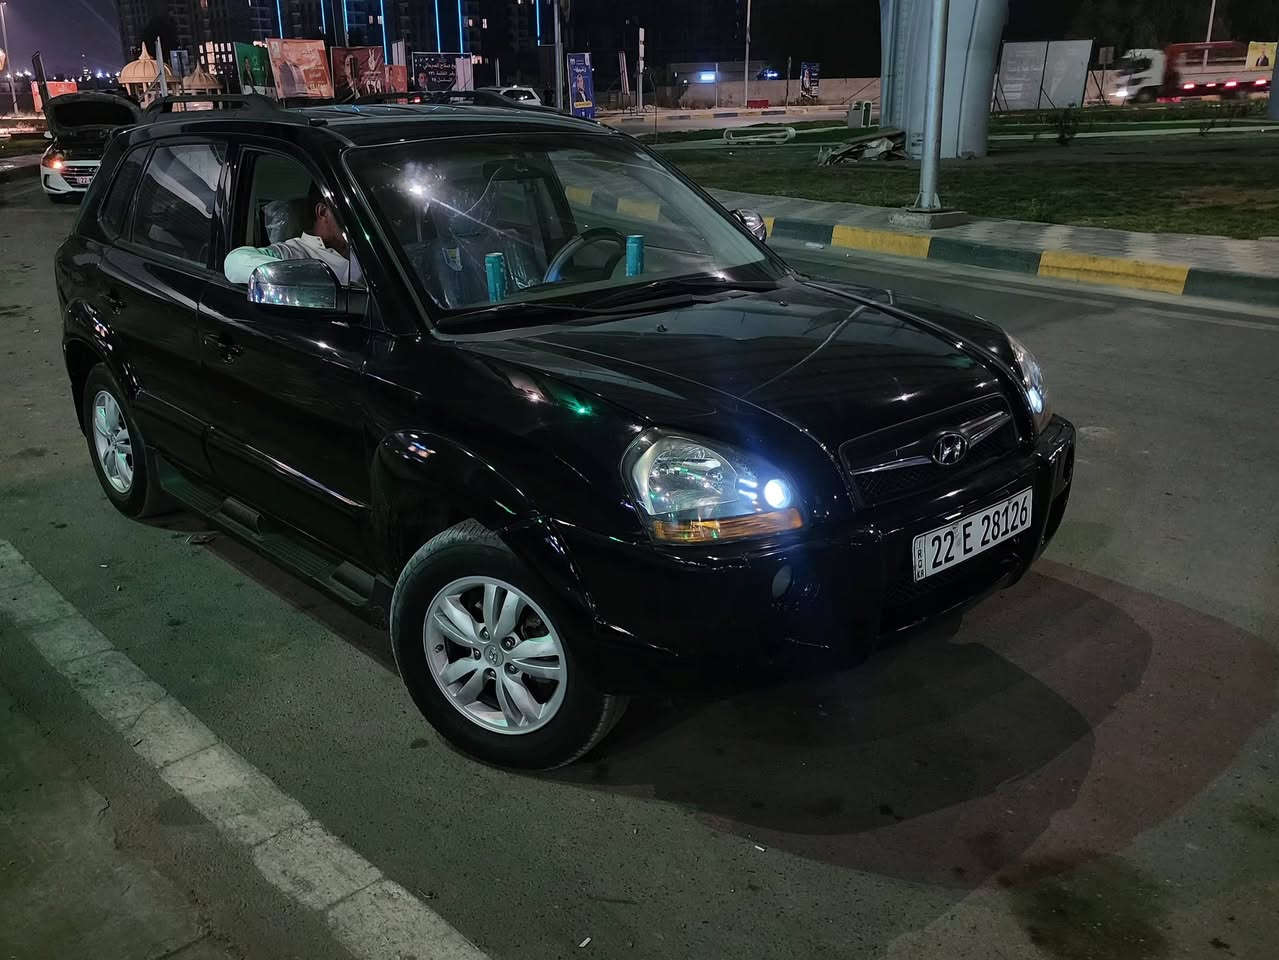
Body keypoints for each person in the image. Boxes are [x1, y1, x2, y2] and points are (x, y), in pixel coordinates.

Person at [224, 182, 363, 286]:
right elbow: (234, 262)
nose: (360, 220)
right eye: (352, 212)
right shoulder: (293, 252)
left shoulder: (364, 250)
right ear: (322, 212)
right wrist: (299, 276)